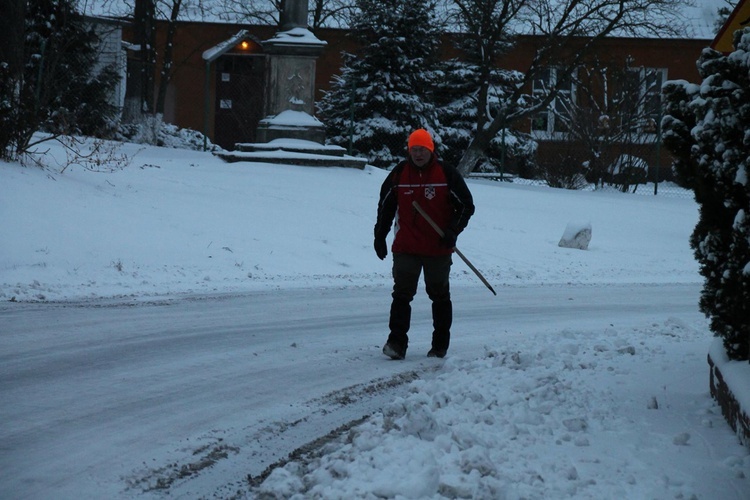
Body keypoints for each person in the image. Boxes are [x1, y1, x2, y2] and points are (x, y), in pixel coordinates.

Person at [373, 128, 475, 360]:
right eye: (414, 149)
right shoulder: (399, 175)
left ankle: (439, 345)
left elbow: (466, 206)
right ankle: (396, 343)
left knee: (439, 294)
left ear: (431, 150)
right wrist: (380, 236)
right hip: (406, 246)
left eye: (422, 149)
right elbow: (386, 207)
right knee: (402, 294)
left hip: (437, 247)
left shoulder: (446, 174)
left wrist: (452, 230)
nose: (418, 154)